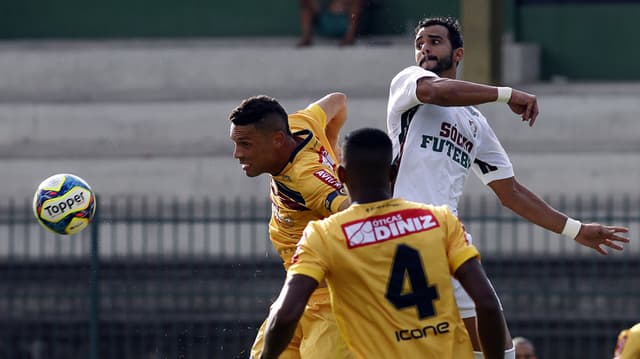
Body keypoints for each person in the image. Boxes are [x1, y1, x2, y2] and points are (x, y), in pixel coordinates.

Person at [386, 16, 630, 358]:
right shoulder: (410, 83)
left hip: (448, 239)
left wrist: (577, 230)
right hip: (402, 232)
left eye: (435, 41)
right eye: (420, 43)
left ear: (458, 54)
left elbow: (510, 192)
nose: (425, 47)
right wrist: (507, 94)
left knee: (497, 348)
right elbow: (434, 91)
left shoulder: (475, 123)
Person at [259, 127, 507, 359]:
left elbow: (287, 315)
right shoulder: (440, 219)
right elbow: (486, 303)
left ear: (341, 175)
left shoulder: (324, 234)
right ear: (392, 172)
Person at [229, 93, 352, 358]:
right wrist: (333, 150)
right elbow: (338, 101)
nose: (237, 154)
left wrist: (336, 177)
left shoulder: (305, 178)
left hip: (331, 303)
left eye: (245, 144)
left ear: (276, 140)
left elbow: (356, 213)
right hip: (298, 295)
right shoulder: (299, 124)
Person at [298, 0, 364, 47]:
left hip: (348, 25)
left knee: (355, 7)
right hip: (324, 22)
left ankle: (349, 38)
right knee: (306, 2)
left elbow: (355, 11)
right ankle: (306, 38)